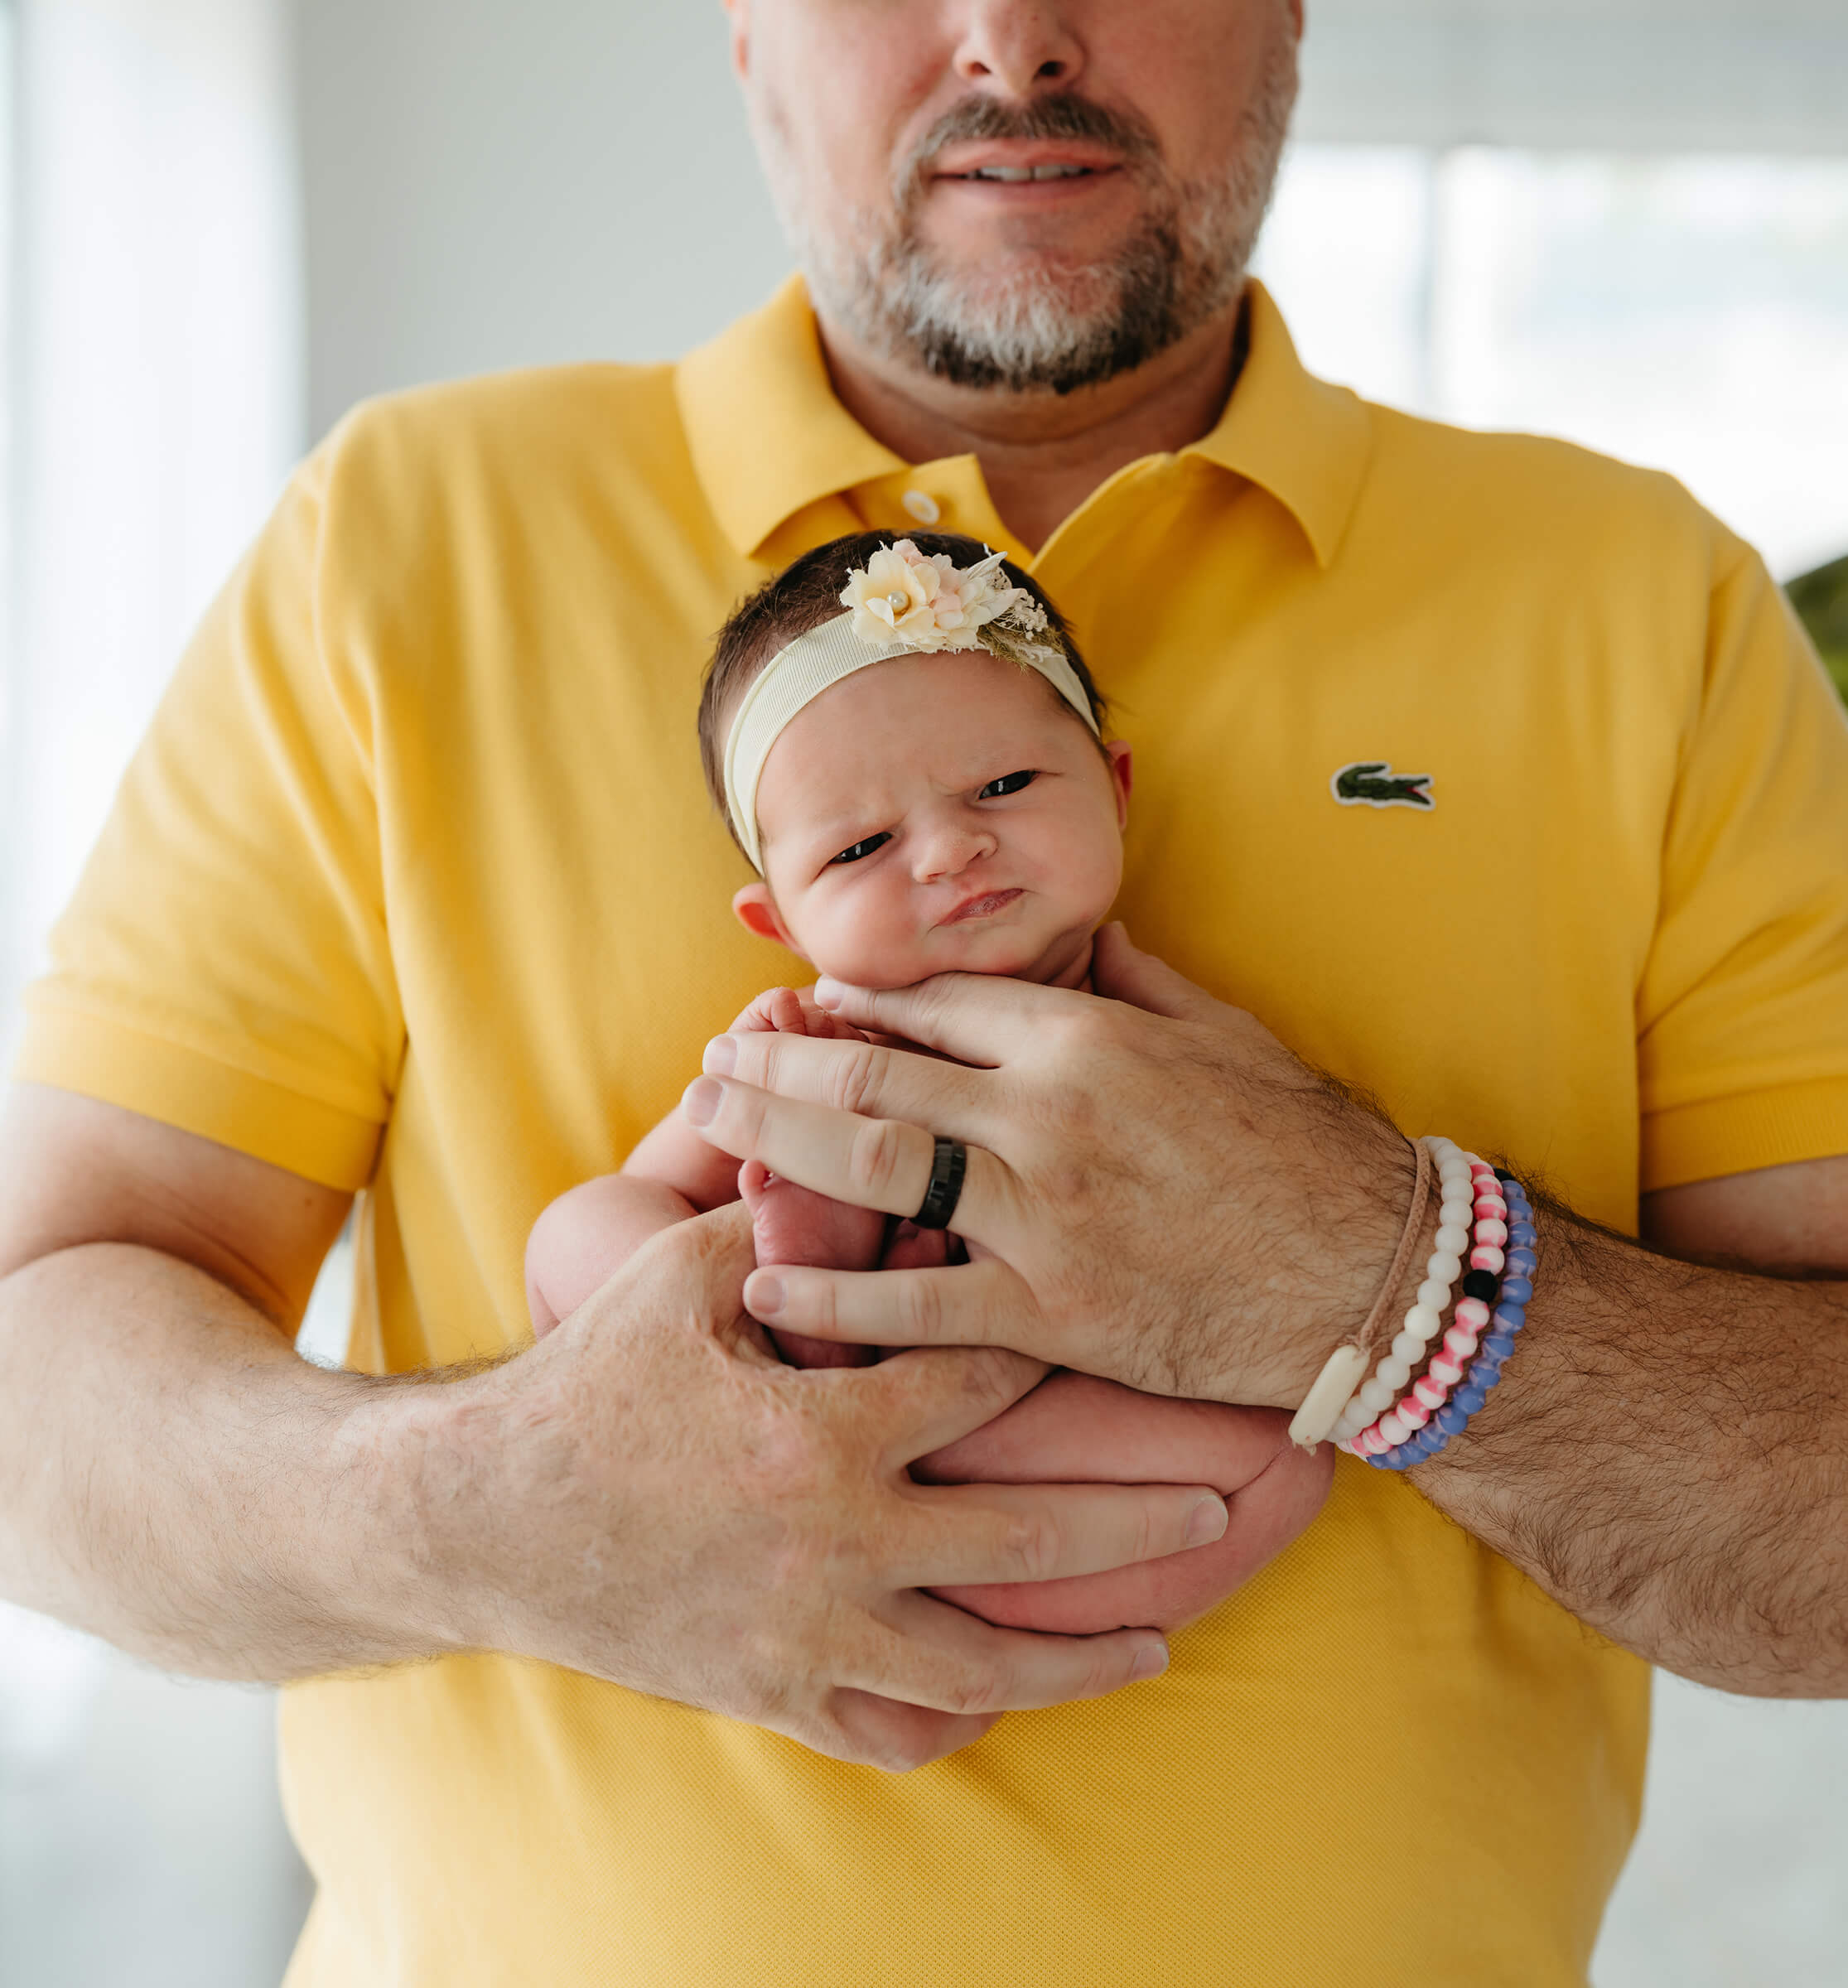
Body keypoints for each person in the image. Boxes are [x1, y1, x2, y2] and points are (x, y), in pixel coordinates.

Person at [2, 2, 1846, 1982]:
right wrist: (512, 1503)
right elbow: (40, 1373)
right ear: (742, 31)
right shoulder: (395, 543)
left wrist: (1380, 1283)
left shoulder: (1644, 602)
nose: (1013, 39)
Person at [525, 528, 1333, 1636]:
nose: (953, 850)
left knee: (1287, 1455)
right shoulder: (808, 1043)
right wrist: (653, 1263)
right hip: (761, 1396)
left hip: (1038, 1416)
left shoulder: (1156, 1044)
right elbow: (641, 1195)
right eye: (859, 847)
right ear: (780, 920)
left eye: (1002, 785)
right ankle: (804, 1376)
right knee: (578, 1231)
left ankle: (925, 1506)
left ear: (1116, 788)